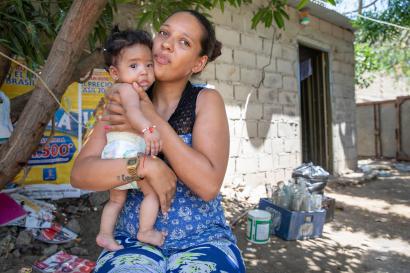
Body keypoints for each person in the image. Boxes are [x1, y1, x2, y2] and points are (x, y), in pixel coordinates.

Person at [71, 9, 246, 272]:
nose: (166, 43)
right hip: (132, 239)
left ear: (198, 64)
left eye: (183, 42)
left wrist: (151, 116)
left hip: (202, 240)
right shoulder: (123, 98)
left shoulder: (205, 101)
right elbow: (81, 175)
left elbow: (208, 185)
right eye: (164, 33)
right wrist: (144, 166)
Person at [97, 28, 165, 251]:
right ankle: (145, 231)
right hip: (127, 153)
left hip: (115, 152)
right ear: (115, 72)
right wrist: (149, 129)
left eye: (148, 65)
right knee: (152, 193)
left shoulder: (117, 88)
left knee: (116, 200)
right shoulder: (128, 90)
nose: (144, 72)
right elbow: (134, 113)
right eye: (134, 66)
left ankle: (105, 235)